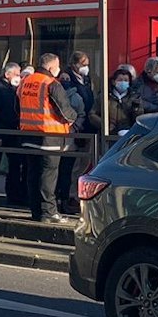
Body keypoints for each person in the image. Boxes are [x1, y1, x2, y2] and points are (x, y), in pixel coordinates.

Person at [18, 53, 80, 224]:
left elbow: (17, 106)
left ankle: (36, 211)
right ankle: (49, 212)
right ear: (52, 67)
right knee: (49, 176)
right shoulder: (52, 83)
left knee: (33, 174)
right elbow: (66, 111)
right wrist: (74, 117)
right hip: (49, 137)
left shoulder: (25, 81)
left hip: (28, 135)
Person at [57, 56, 97, 214]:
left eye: (87, 64)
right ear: (74, 64)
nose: (86, 67)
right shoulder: (67, 80)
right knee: (70, 167)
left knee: (80, 166)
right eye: (83, 64)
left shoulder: (86, 80)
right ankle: (68, 197)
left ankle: (71, 196)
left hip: (85, 129)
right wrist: (76, 127)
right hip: (74, 131)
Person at [0, 61, 23, 209]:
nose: (19, 77)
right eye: (16, 74)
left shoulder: (12, 89)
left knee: (14, 165)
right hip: (2, 132)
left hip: (12, 132)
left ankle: (14, 195)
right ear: (7, 74)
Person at [100, 64, 142, 137]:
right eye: (120, 80)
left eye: (126, 80)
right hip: (108, 134)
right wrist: (105, 124)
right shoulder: (105, 96)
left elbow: (139, 117)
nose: (123, 82)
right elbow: (93, 114)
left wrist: (136, 109)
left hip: (127, 133)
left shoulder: (134, 97)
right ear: (113, 81)